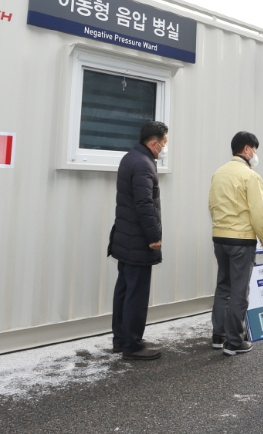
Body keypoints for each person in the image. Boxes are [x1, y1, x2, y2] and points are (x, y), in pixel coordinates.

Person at [208, 131, 263, 356]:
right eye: (254, 149)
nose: (255, 154)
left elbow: (211, 205)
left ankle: (219, 336)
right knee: (239, 290)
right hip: (241, 240)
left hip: (219, 237)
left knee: (223, 286)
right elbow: (258, 213)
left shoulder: (218, 173)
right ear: (247, 149)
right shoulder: (250, 176)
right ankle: (235, 341)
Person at [108, 121, 167, 361]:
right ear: (154, 143)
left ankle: (121, 339)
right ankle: (132, 345)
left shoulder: (130, 158)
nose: (164, 148)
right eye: (164, 143)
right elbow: (144, 204)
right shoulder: (143, 165)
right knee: (136, 293)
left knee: (124, 289)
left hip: (125, 237)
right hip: (138, 239)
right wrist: (153, 236)